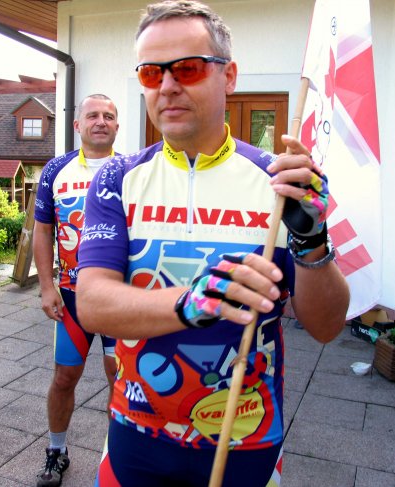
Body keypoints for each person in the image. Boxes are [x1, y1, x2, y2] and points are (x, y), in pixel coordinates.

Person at [75, 2, 350, 486]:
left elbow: (326, 326)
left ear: (229, 77)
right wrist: (193, 302)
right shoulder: (117, 177)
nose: (167, 85)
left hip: (243, 439)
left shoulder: (278, 181)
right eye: (151, 72)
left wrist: (311, 238)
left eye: (188, 68)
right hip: (137, 433)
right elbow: (93, 305)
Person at [33, 94, 120, 487]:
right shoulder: (56, 169)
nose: (101, 121)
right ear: (77, 125)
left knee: (120, 379)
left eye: (109, 116)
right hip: (71, 296)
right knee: (65, 377)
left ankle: (117, 454)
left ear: (117, 125)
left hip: (119, 297)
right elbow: (43, 230)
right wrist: (46, 285)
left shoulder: (132, 169)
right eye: (93, 115)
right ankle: (56, 450)